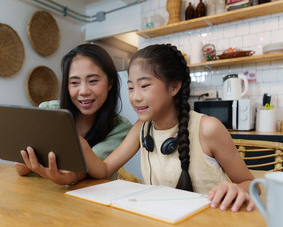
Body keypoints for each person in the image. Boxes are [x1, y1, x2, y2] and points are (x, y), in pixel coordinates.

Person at [69, 44, 255, 212]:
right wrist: (81, 145)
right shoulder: (141, 128)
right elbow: (104, 169)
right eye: (131, 87)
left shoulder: (207, 128)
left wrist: (237, 189)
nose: (135, 97)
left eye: (144, 86)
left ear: (174, 86)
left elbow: (251, 184)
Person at [15, 44, 131, 185]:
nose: (83, 91)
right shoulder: (48, 111)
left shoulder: (121, 130)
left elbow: (93, 172)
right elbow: (21, 169)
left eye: (93, 81)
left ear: (110, 83)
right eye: (75, 82)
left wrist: (63, 174)